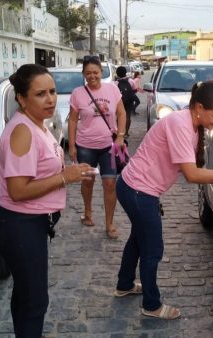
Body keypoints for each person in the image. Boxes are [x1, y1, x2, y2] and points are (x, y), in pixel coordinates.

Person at [113, 81, 213, 320]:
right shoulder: (179, 124)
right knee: (152, 248)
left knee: (138, 239)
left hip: (136, 188)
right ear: (199, 107)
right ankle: (152, 305)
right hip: (138, 191)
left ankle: (124, 284)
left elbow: (193, 168)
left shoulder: (190, 124)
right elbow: (192, 175)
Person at [0, 64, 92, 337]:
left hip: (29, 225)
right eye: (40, 94)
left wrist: (69, 174)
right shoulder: (22, 131)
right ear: (22, 99)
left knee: (25, 296)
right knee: (35, 301)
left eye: (53, 91)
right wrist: (64, 177)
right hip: (19, 226)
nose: (50, 99)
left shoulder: (37, 125)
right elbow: (18, 190)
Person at [68, 56, 127, 239]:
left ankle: (109, 224)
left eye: (95, 72)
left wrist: (120, 136)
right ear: (83, 74)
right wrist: (71, 145)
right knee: (88, 182)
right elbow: (72, 120)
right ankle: (87, 213)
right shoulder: (77, 93)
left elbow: (121, 112)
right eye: (88, 73)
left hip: (108, 146)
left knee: (110, 184)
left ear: (101, 72)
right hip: (85, 145)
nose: (92, 76)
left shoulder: (112, 89)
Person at [115, 66, 140, 136]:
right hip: (129, 102)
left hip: (119, 102)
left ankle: (119, 131)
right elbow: (135, 90)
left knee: (118, 116)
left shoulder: (115, 83)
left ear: (117, 73)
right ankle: (126, 133)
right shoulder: (131, 81)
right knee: (128, 116)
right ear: (125, 73)